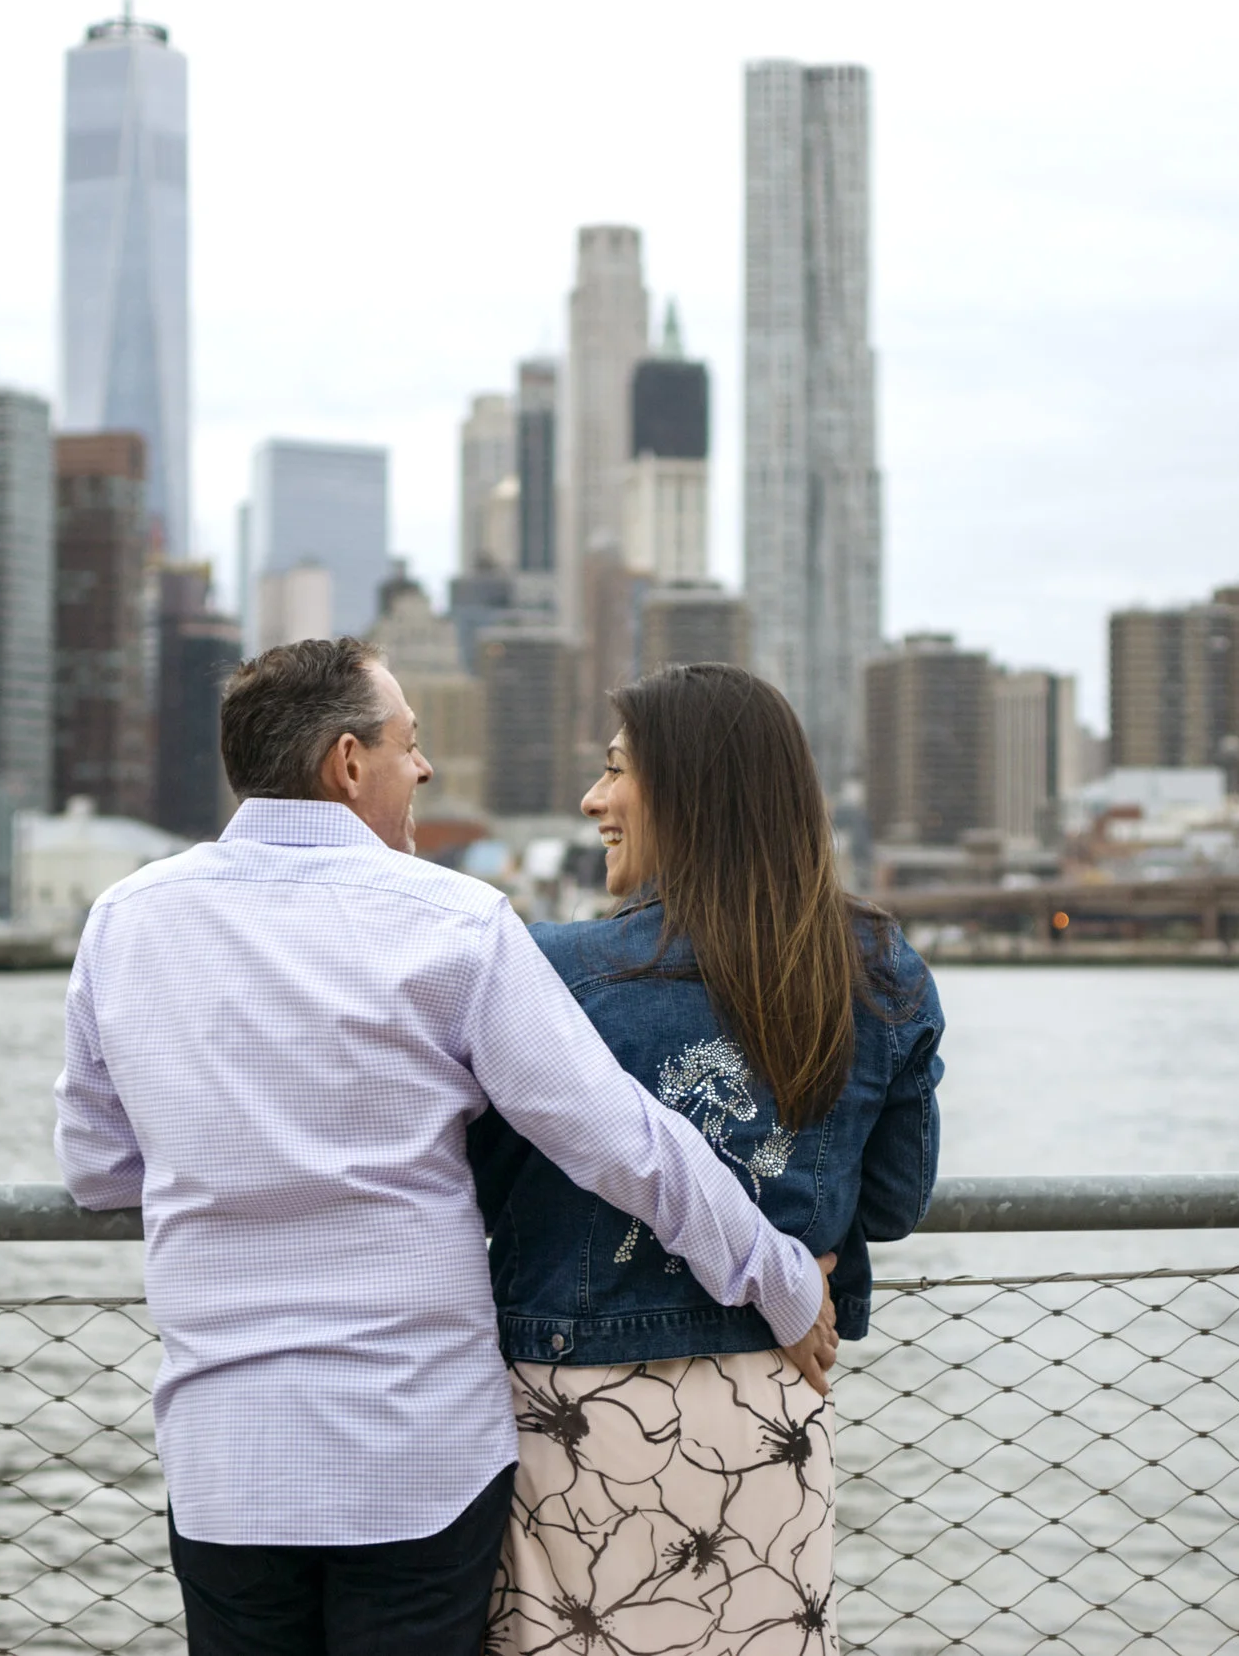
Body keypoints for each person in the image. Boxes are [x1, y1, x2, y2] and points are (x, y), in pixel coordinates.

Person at [52, 638, 837, 1656]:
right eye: (408, 744)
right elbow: (621, 1140)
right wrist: (778, 1277)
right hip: (413, 1455)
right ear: (347, 763)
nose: (422, 768)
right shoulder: (453, 921)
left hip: (227, 1458)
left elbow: (97, 1167)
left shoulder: (127, 920)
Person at [471, 662, 944, 1655]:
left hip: (573, 1410)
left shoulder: (550, 971)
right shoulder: (879, 968)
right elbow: (895, 1203)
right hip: (774, 1397)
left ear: (687, 792)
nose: (593, 799)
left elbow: (472, 1184)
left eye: (615, 771)